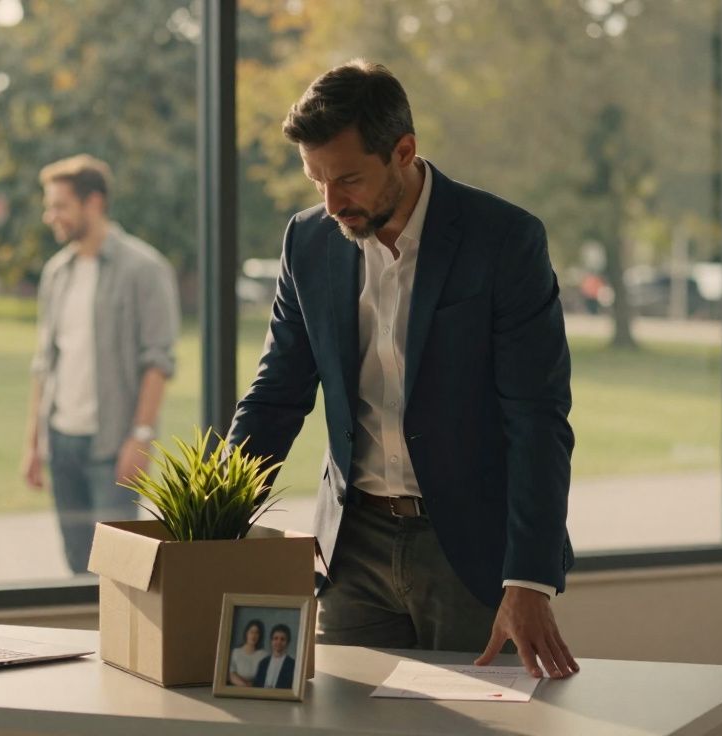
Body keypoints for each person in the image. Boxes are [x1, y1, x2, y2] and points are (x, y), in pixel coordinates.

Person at [226, 61, 579, 679]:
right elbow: (276, 394)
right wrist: (215, 520)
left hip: (471, 554)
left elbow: (537, 417)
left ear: (404, 151)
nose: (332, 203)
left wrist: (529, 578)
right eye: (316, 181)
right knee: (340, 719)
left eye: (348, 179)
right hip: (351, 550)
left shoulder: (503, 240)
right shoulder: (308, 241)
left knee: (488, 720)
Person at [20, 154, 180, 574]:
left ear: (93, 203)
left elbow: (158, 361)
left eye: (60, 206)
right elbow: (45, 363)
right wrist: (34, 443)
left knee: (119, 571)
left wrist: (141, 436)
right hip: (62, 444)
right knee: (76, 568)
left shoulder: (145, 269)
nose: (50, 216)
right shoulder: (57, 273)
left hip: (113, 446)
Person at [252, 624, 296, 689]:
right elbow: (256, 686)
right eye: (276, 638)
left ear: (287, 642)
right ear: (271, 641)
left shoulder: (292, 665)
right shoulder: (263, 663)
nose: (279, 642)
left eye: (282, 639)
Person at [227, 619, 268, 687]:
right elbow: (232, 675)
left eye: (257, 633)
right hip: (237, 688)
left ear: (260, 636)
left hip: (257, 689)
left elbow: (264, 678)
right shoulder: (236, 652)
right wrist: (245, 686)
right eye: (251, 632)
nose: (254, 635)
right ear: (246, 633)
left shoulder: (264, 655)